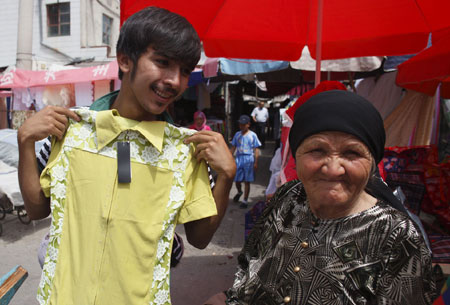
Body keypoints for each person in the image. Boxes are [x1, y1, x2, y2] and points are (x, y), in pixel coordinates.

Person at [17, 7, 235, 305]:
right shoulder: (71, 131)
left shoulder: (185, 151)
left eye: (185, 71)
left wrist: (226, 176)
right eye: (162, 62)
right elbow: (36, 210)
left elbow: (199, 238)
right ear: (124, 60)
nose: (175, 80)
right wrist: (25, 142)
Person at [224, 90, 437, 304]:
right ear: (295, 157)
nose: (333, 169)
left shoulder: (397, 236)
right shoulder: (288, 197)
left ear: (372, 163)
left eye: (352, 153)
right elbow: (248, 263)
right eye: (317, 150)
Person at [230, 115, 261, 209]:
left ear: (248, 124)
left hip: (249, 159)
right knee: (237, 180)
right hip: (239, 159)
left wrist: (256, 162)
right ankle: (239, 191)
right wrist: (229, 158)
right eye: (240, 125)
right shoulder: (237, 135)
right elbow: (233, 148)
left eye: (243, 124)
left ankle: (245, 200)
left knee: (247, 181)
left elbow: (256, 149)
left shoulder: (253, 135)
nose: (241, 126)